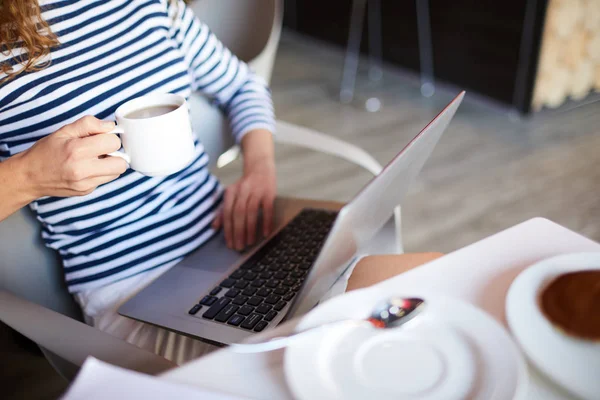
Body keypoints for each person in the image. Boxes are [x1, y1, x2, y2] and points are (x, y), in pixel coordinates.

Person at [0, 0, 436, 365]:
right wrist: (29, 176)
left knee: (431, 286)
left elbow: (242, 85)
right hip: (131, 291)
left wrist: (260, 168)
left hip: (233, 237)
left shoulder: (148, 6)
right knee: (331, 354)